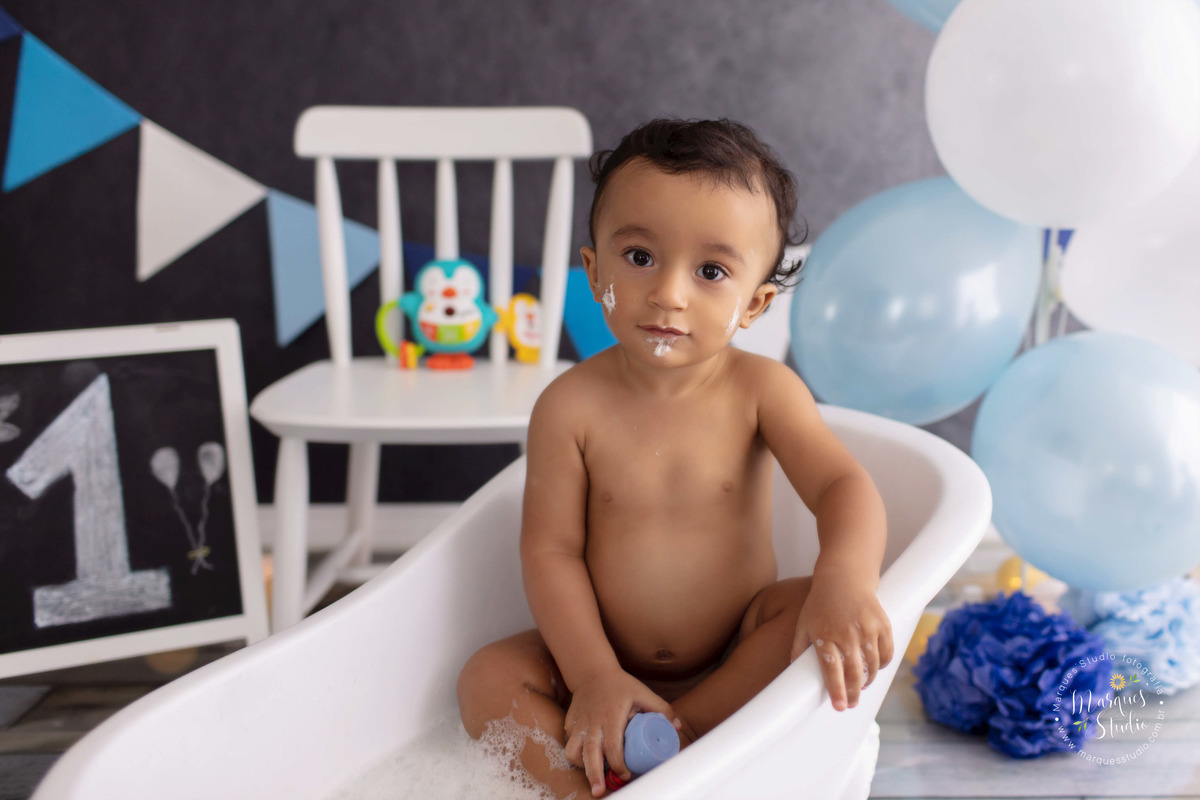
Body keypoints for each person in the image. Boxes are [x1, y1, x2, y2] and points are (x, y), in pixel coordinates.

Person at [457, 118, 894, 799]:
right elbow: (551, 552)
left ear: (755, 304)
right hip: (602, 658)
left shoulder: (763, 391)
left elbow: (841, 484)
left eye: (711, 271)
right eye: (639, 257)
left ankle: (681, 741)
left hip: (734, 657)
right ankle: (585, 789)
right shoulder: (569, 406)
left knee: (806, 606)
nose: (669, 292)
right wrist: (593, 674)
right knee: (486, 678)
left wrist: (846, 578)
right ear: (593, 272)